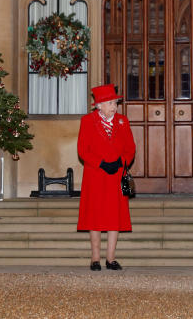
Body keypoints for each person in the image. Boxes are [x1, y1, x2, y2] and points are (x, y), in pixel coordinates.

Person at [77, 84, 136, 271]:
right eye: (110, 103)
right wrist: (101, 163)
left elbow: (131, 148)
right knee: (94, 215)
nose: (114, 106)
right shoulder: (87, 121)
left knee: (114, 216)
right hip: (95, 175)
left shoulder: (123, 121)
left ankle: (111, 258)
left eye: (115, 103)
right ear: (99, 105)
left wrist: (121, 162)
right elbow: (82, 150)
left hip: (116, 175)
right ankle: (95, 258)